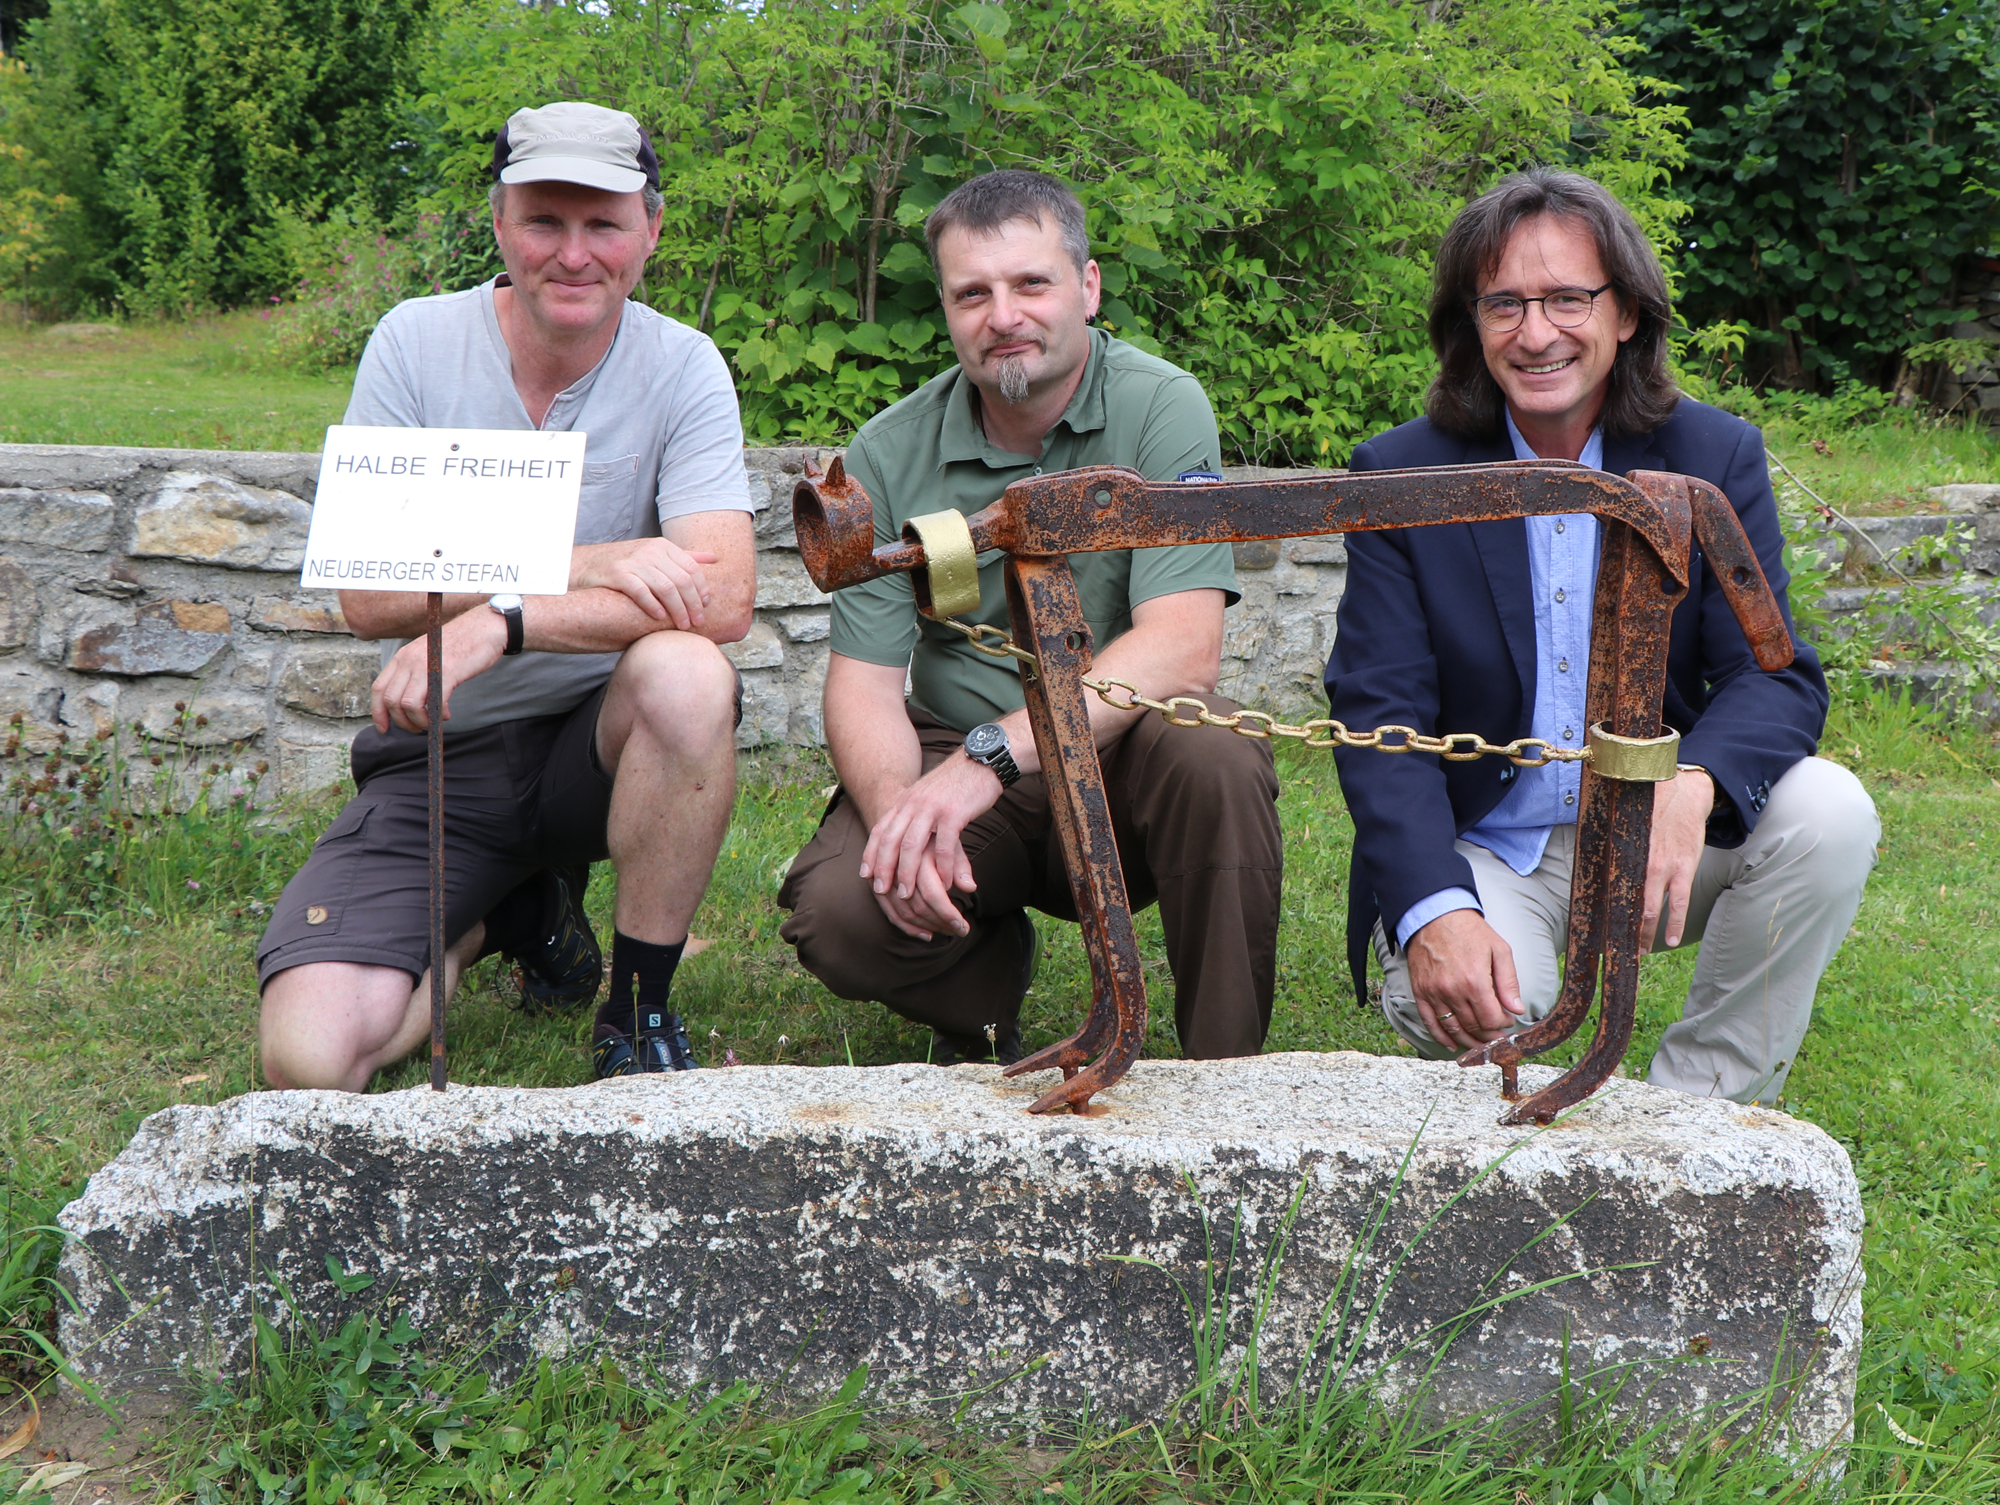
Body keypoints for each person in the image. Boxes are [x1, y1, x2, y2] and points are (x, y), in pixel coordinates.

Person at [1326, 168, 1879, 1107]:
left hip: (1657, 835)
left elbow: (1778, 678)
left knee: (1830, 812)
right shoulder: (1401, 472)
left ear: (1626, 313)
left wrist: (1693, 783)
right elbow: (1378, 715)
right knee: (1502, 1028)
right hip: (1489, 849)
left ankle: (1699, 1113)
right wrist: (1434, 910)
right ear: (1472, 322)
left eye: (1568, 298)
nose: (1536, 333)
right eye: (1505, 303)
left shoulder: (1715, 457)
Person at [257, 101, 757, 1090]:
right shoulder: (413, 343)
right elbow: (368, 589)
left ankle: (636, 1010)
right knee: (309, 1058)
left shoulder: (684, 366)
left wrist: (504, 617)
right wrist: (582, 560)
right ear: (498, 223)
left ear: (650, 232)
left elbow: (723, 593)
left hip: (598, 746)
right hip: (441, 757)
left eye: (603, 224)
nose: (573, 254)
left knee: (688, 672)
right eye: (543, 220)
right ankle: (518, 914)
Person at [777, 170, 1283, 1064]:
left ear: (1087, 289)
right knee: (841, 911)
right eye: (973, 293)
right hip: (957, 746)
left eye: (1031, 284)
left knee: (1216, 759)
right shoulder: (887, 452)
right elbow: (861, 687)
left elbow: (1182, 647)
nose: (1002, 313)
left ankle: (1224, 1071)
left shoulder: (1163, 407)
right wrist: (905, 817)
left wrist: (990, 759)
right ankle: (983, 996)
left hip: (1122, 743)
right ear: (946, 309)